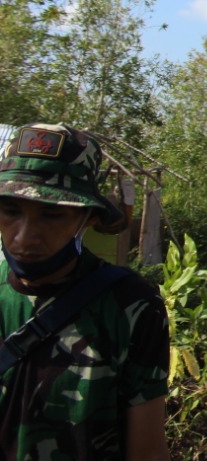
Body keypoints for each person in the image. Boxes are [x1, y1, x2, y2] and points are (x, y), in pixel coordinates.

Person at [0, 123, 170, 460]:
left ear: (88, 217)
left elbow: (147, 451)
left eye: (52, 214)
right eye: (10, 211)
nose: (24, 238)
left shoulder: (131, 306)